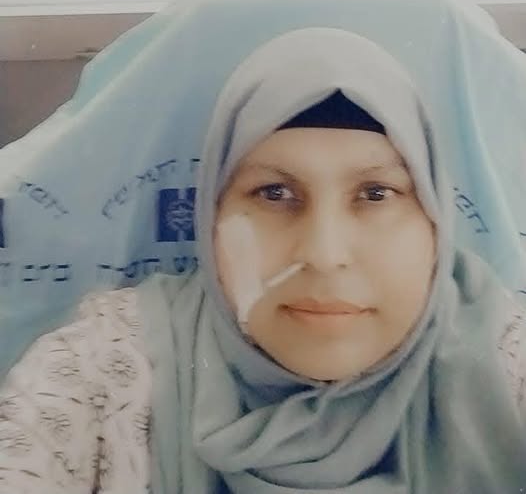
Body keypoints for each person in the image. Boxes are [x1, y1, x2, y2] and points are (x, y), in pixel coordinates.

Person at [0, 27, 525, 492]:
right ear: (211, 219)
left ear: (435, 222)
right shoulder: (106, 369)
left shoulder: (504, 362)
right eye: (274, 193)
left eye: (376, 194)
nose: (324, 255)